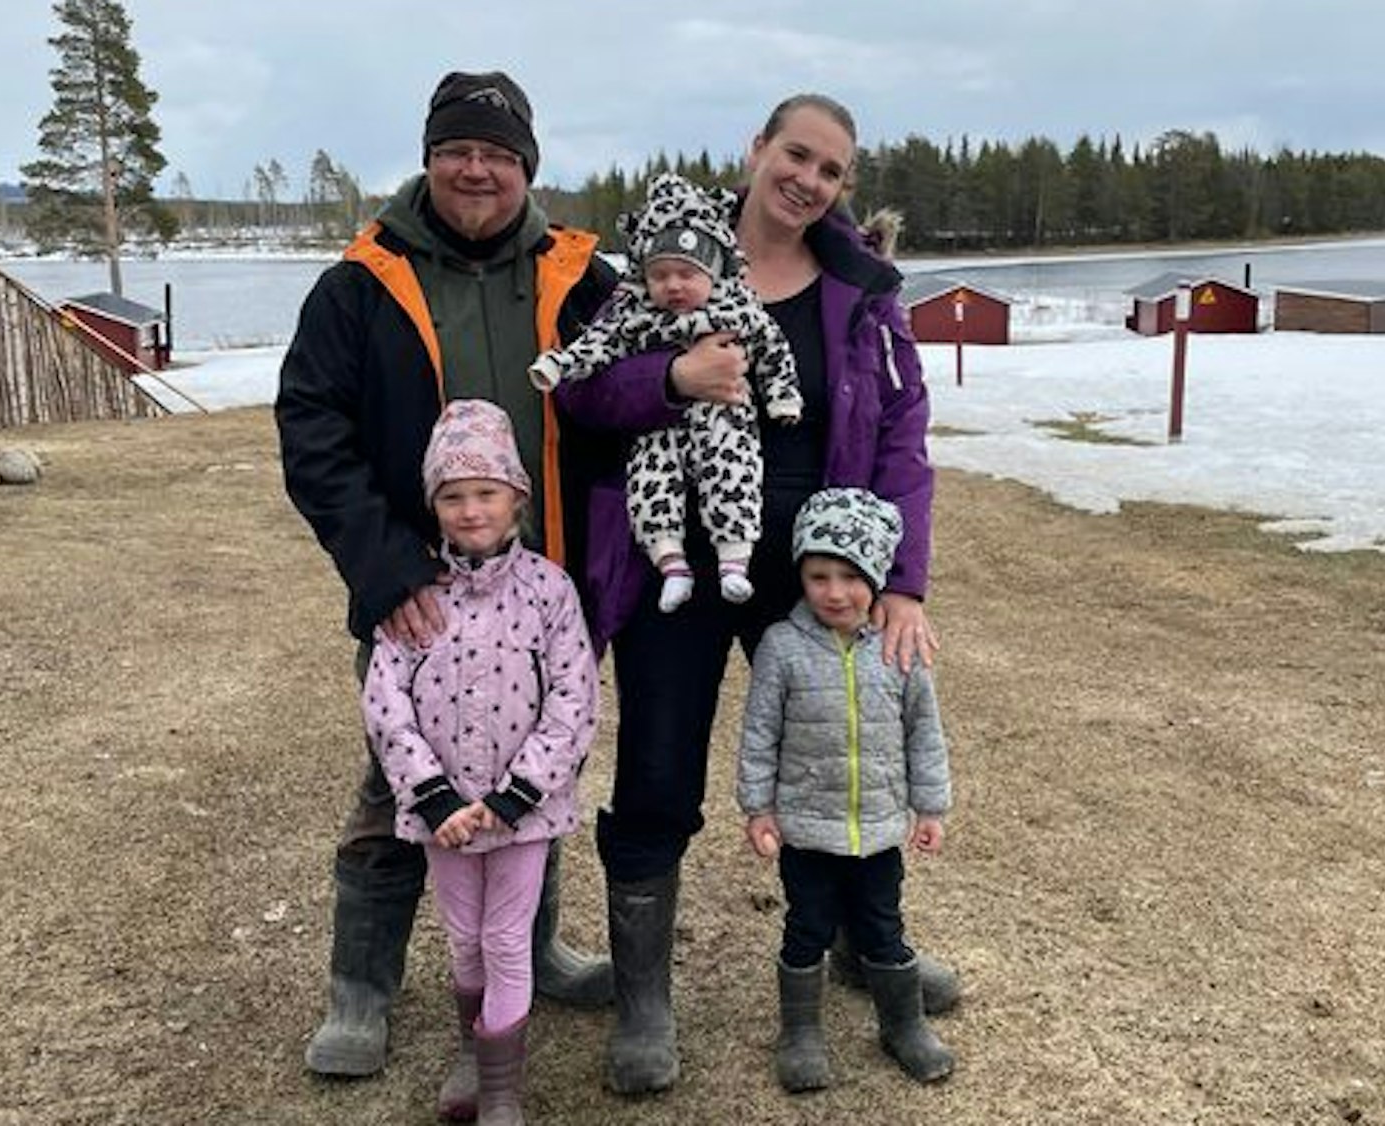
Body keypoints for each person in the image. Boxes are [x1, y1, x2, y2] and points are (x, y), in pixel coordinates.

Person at [552, 92, 960, 1096]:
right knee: (657, 768)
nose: (808, 180)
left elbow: (901, 433)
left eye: (830, 170)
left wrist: (902, 581)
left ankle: (864, 943)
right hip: (675, 561)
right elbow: (582, 394)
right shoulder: (666, 260)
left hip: (814, 570)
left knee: (839, 757)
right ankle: (644, 1000)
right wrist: (670, 380)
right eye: (796, 154)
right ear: (756, 149)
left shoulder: (860, 290)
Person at [275, 69, 619, 1085]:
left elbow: (636, 394)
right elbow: (312, 431)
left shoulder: (583, 280)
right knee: (396, 780)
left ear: (527, 169)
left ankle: (533, 947)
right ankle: (361, 987)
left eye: (499, 154)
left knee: (537, 767)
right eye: (458, 150)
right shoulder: (359, 283)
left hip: (544, 591)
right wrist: (387, 570)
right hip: (415, 596)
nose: (478, 169)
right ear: (429, 159)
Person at [364, 399, 599, 1124]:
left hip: (521, 813)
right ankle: (473, 1053)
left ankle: (501, 1094)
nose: (471, 511)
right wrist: (432, 795)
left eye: (486, 493)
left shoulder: (550, 591)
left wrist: (518, 794)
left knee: (504, 937)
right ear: (433, 505)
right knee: (465, 939)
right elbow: (385, 701)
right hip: (445, 814)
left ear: (516, 497)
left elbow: (574, 697)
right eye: (453, 496)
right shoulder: (414, 596)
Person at [738, 488, 954, 1091]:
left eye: (852, 577)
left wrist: (930, 808)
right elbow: (759, 734)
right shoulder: (781, 647)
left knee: (883, 926)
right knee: (806, 927)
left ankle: (902, 1024)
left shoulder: (898, 647)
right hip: (807, 831)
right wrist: (758, 808)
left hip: (878, 832)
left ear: (877, 576)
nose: (835, 592)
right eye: (819, 576)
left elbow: (924, 731)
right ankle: (801, 1033)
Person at [529, 171, 801, 613]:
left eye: (686, 274)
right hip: (658, 428)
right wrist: (559, 365)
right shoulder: (633, 315)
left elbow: (774, 349)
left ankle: (734, 561)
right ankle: (672, 565)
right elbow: (597, 345)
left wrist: (781, 395)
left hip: (723, 418)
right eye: (660, 275)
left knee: (733, 472)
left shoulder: (739, 310)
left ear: (713, 271)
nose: (673, 286)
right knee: (650, 484)